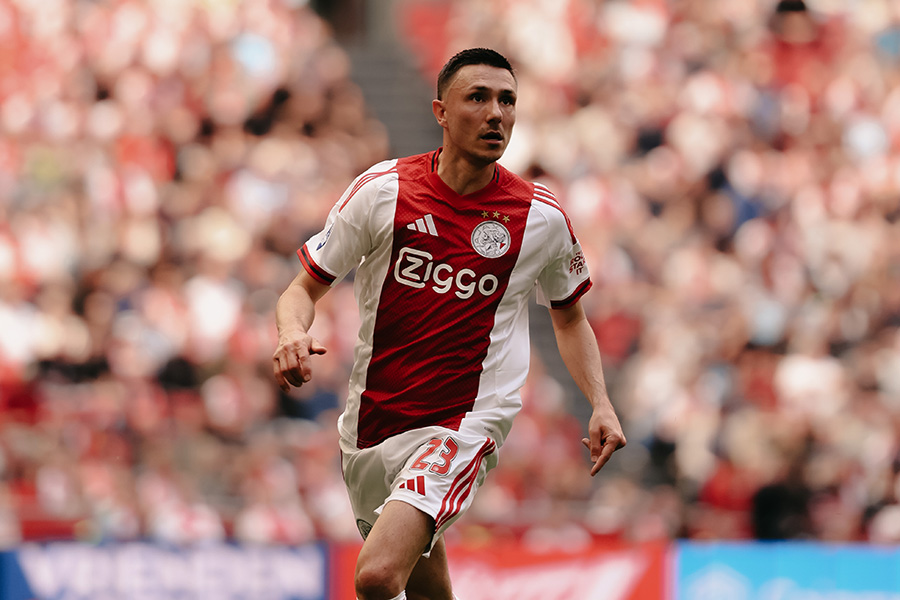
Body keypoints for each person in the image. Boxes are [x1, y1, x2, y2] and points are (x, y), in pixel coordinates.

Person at [273, 47, 625, 600]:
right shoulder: (384, 190)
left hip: (465, 422)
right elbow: (302, 289)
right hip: (372, 424)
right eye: (478, 98)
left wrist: (600, 402)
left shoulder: (541, 217)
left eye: (507, 101)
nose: (496, 114)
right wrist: (292, 333)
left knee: (377, 576)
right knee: (425, 587)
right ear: (440, 111)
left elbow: (570, 317)